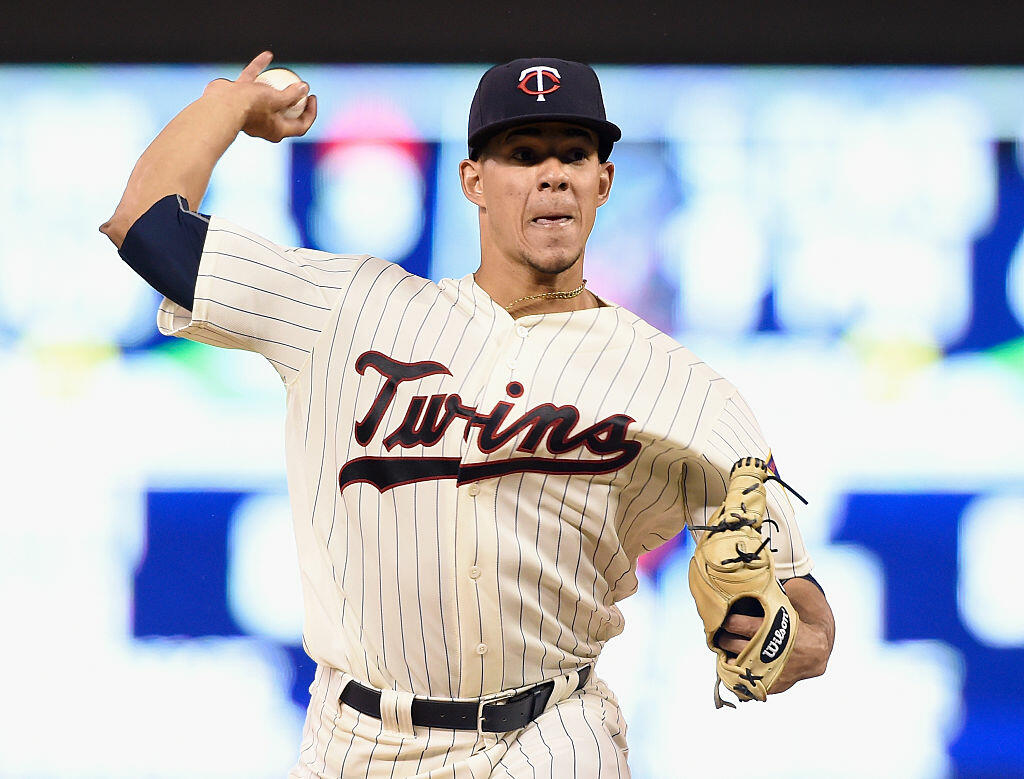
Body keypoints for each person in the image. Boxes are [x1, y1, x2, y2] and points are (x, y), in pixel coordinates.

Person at [101, 52, 835, 778]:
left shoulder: (684, 391)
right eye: (523, 154)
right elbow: (144, 223)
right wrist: (229, 105)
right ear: (473, 181)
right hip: (356, 739)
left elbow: (807, 622)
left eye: (574, 154)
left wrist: (769, 638)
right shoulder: (347, 310)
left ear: (601, 182)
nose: (552, 174)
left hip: (552, 733)